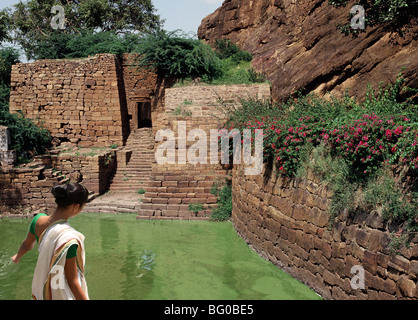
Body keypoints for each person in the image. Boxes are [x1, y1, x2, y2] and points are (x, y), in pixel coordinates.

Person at [11, 183, 90, 300]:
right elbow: (72, 281)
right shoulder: (69, 239)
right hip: (60, 292)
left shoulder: (37, 220)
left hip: (43, 291)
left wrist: (17, 257)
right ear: (76, 207)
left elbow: (27, 245)